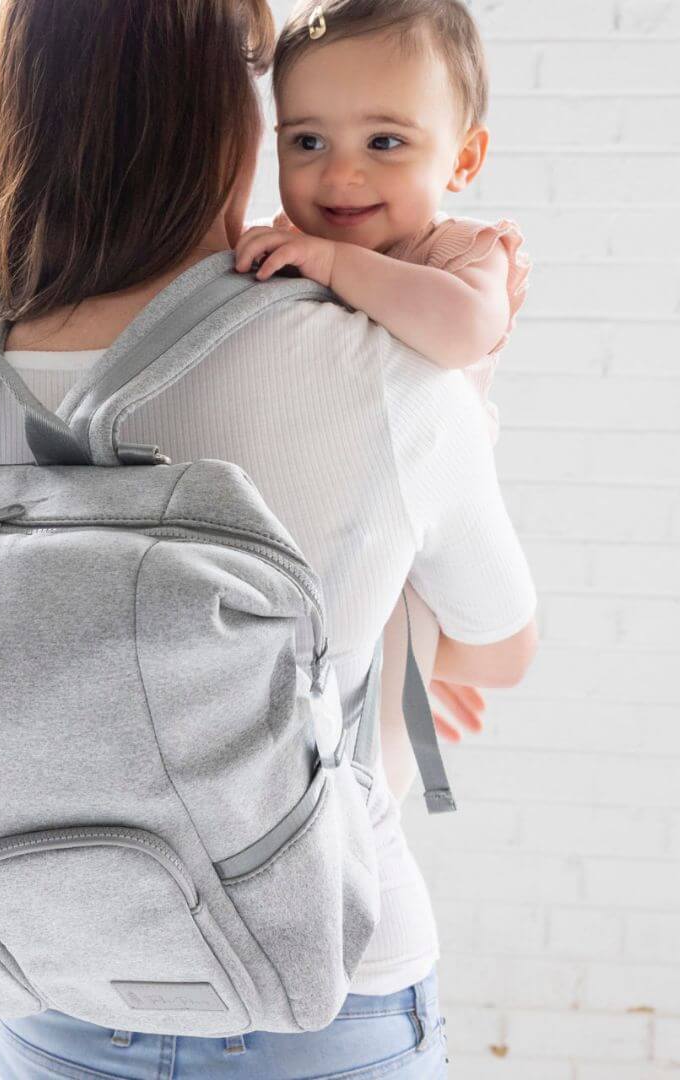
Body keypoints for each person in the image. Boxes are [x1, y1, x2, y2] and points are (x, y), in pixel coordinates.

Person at [0, 1, 538, 1076]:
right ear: (229, 109)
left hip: (56, 979)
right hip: (319, 990)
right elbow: (499, 651)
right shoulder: (384, 363)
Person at [232, 0, 532, 766]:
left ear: (463, 159)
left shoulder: (466, 254)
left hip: (423, 532)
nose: (340, 173)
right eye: (307, 140)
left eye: (385, 141)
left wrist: (337, 265)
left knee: (381, 748)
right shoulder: (294, 240)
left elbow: (465, 329)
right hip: (336, 521)